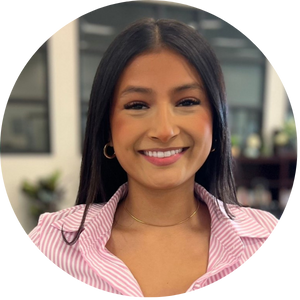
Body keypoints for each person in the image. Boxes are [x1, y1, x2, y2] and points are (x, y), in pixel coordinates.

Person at [26, 18, 280, 300]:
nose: (164, 131)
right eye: (137, 105)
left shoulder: (264, 239)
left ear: (216, 123)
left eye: (187, 102)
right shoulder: (52, 245)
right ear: (107, 129)